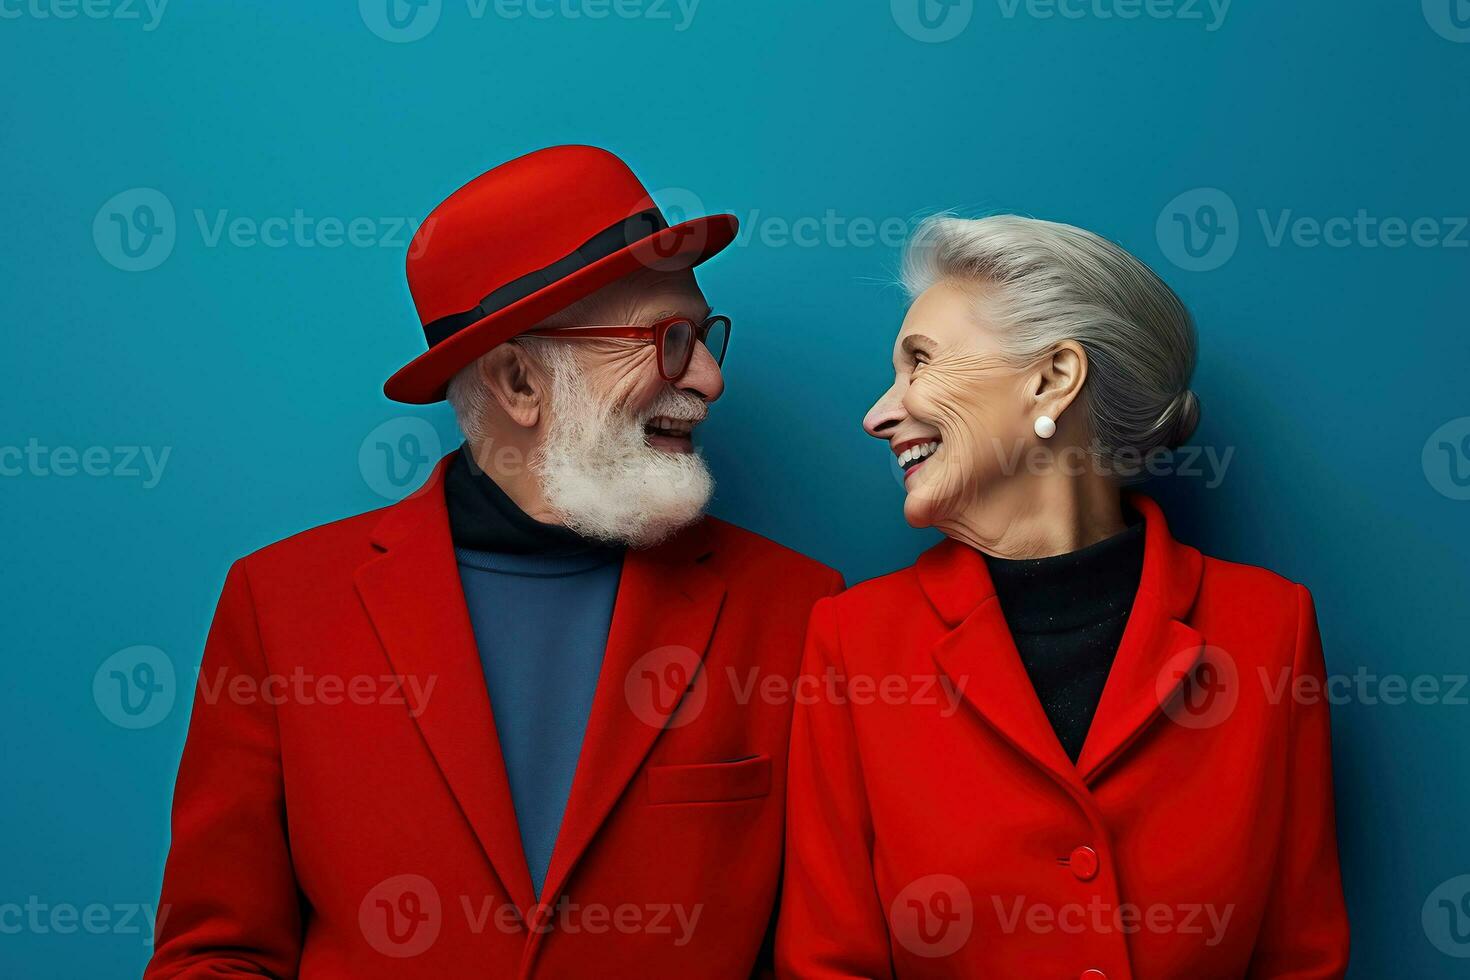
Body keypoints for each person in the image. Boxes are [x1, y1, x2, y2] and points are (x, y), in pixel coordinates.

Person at [146, 145, 843, 978]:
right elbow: (217, 954)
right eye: (668, 339)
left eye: (702, 335)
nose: (710, 378)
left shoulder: (800, 609)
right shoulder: (280, 603)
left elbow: (822, 957)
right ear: (519, 382)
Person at [777, 215, 1349, 978]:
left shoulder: (1268, 628)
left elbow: (1301, 955)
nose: (879, 414)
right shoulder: (853, 641)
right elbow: (827, 963)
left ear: (1052, 378)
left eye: (919, 363)